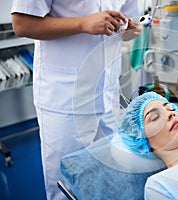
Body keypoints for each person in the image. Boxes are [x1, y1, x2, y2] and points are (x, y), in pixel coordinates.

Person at [11, 1, 141, 199]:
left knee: (109, 181)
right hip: (66, 98)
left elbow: (127, 26)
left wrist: (130, 29)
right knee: (67, 188)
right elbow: (22, 24)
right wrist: (83, 24)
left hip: (108, 96)